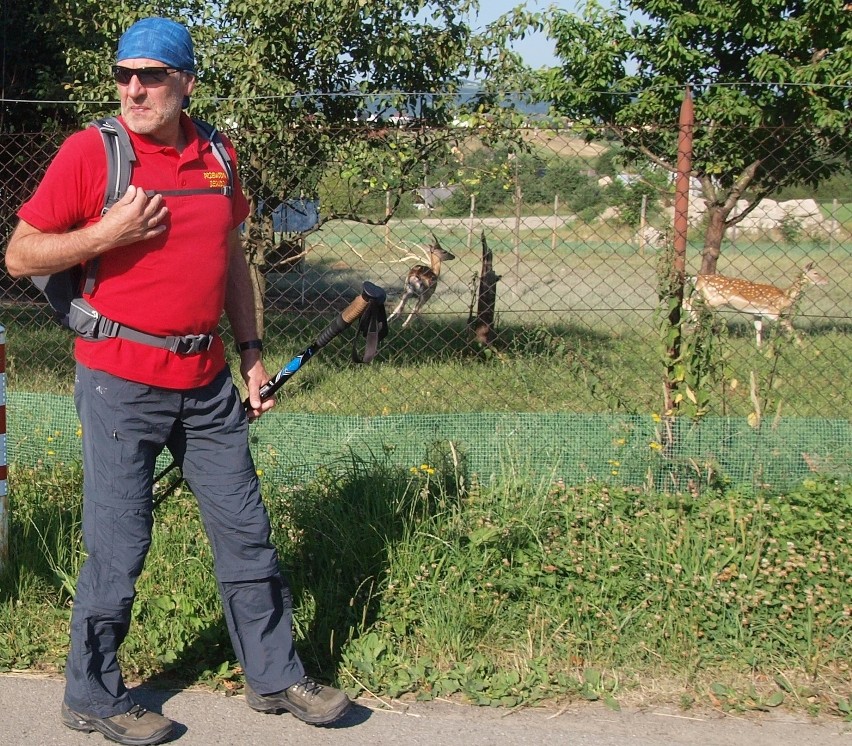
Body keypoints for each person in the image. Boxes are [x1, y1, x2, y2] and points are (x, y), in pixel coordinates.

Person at [4, 16, 350, 746]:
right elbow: (19, 255)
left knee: (246, 534)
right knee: (120, 544)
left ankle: (275, 675)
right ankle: (91, 695)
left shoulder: (217, 154)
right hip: (118, 381)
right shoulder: (92, 154)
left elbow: (227, 259)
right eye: (125, 75)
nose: (135, 89)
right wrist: (107, 236)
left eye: (152, 75)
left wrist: (251, 353)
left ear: (186, 81)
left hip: (207, 383)